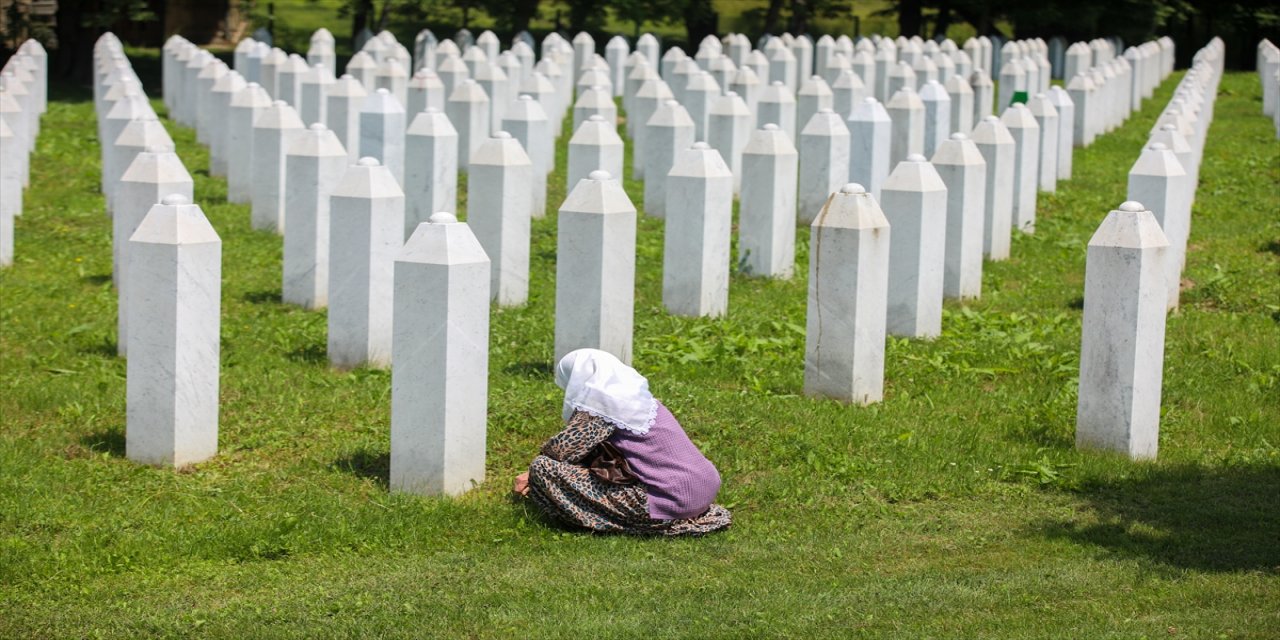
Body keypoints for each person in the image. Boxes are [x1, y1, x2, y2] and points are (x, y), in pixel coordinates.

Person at [513, 349, 732, 536]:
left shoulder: (600, 407)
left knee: (543, 468)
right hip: (702, 489)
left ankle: (590, 521)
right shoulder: (643, 401)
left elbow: (561, 452)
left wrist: (531, 475)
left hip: (674, 498)